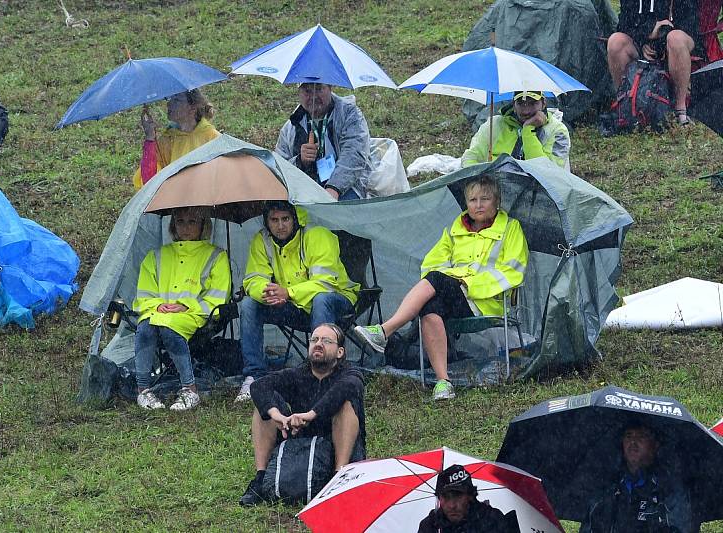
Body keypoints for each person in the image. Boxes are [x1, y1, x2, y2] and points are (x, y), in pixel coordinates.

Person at [354, 176, 528, 401]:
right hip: (453, 295)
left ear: (497, 201)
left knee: (437, 279)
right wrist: (455, 279)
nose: (478, 205)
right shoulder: (455, 229)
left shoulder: (511, 228)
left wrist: (469, 282)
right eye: (472, 199)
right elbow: (431, 264)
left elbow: (513, 271)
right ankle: (443, 383)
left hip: (486, 301)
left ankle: (385, 331)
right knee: (430, 306)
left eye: (485, 199)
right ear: (466, 203)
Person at [235, 201, 359, 403]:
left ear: (295, 219)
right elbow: (252, 279)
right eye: (274, 220)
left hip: (337, 301)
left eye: (285, 219)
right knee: (250, 303)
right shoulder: (262, 240)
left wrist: (288, 292)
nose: (280, 225)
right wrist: (267, 292)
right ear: (267, 222)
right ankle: (254, 376)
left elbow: (326, 283)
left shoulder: (317, 235)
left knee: (321, 299)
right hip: (293, 306)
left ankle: (324, 373)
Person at [239, 323, 366, 506]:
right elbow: (258, 386)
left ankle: (338, 480)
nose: (318, 344)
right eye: (314, 339)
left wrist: (311, 414)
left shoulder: (349, 373)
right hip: (302, 443)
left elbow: (349, 387)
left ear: (340, 352)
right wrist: (277, 415)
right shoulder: (299, 374)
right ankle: (260, 478)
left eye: (326, 341)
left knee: (345, 403)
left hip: (336, 446)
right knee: (265, 406)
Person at [131, 206, 231, 411]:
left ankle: (189, 389)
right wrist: (159, 305)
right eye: (180, 222)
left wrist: (186, 306)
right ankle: (143, 390)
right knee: (144, 327)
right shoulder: (156, 255)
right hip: (158, 312)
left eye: (192, 222)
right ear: (173, 225)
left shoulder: (216, 256)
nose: (185, 228)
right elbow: (143, 294)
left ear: (204, 225)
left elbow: (218, 297)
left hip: (195, 315)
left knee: (169, 328)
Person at [579, 423, 694, 533]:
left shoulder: (670, 489)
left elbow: (682, 528)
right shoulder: (607, 487)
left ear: (655, 445)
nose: (633, 442)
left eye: (641, 436)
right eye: (628, 436)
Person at [607, 0, 701, 125]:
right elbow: (624, 25)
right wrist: (646, 36)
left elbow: (690, 24)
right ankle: (625, 104)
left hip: (679, 41)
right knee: (616, 41)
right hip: (642, 42)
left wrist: (662, 40)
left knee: (675, 39)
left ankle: (680, 109)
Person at [275, 83, 372, 200]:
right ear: (299, 93)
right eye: (307, 91)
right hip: (305, 188)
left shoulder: (350, 115)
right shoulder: (291, 126)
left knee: (340, 212)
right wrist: (301, 161)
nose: (313, 97)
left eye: (319, 89)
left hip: (346, 187)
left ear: (330, 88)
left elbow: (354, 155)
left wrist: (334, 188)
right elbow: (279, 167)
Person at [132, 89, 219, 190]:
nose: (169, 104)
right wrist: (150, 137)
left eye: (176, 100)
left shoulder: (212, 138)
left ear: (192, 108)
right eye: (170, 99)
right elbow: (150, 182)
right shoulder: (167, 140)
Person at [461, 91, 571, 169]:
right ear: (513, 104)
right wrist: (480, 181)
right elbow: (470, 158)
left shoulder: (558, 131)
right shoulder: (494, 125)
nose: (526, 111)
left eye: (533, 103)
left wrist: (528, 131)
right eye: (521, 104)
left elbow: (549, 174)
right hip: (493, 192)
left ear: (543, 103)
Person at [418, 464, 519, 533]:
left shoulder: (492, 519)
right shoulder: (430, 526)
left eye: (458, 496)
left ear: (470, 496)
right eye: (446, 497)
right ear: (439, 498)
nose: (452, 505)